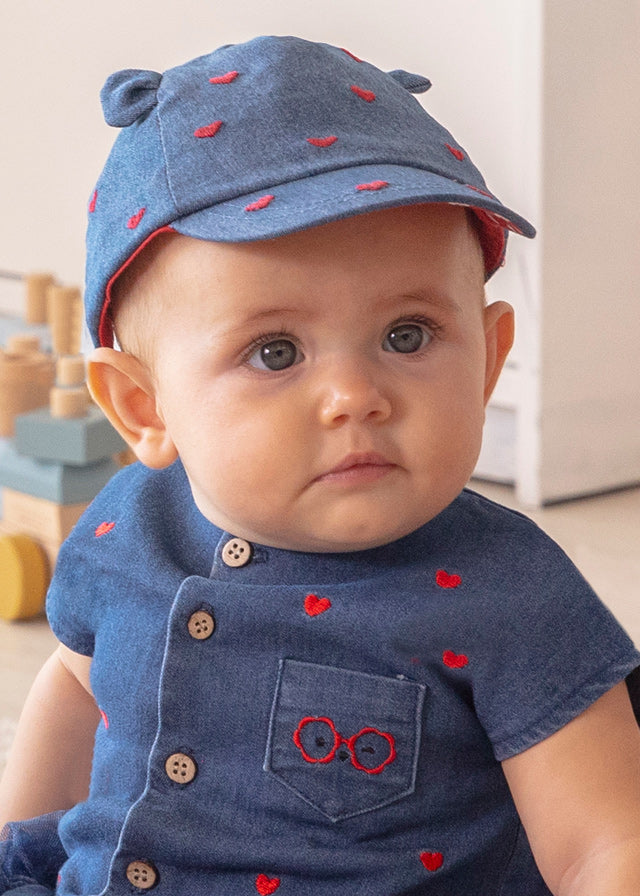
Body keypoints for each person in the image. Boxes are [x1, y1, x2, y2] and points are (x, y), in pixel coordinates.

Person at [1, 35, 639, 896]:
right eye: (275, 352)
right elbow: (77, 691)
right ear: (145, 409)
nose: (354, 397)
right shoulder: (125, 526)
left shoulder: (513, 595)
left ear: (489, 362)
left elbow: (604, 845)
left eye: (407, 336)